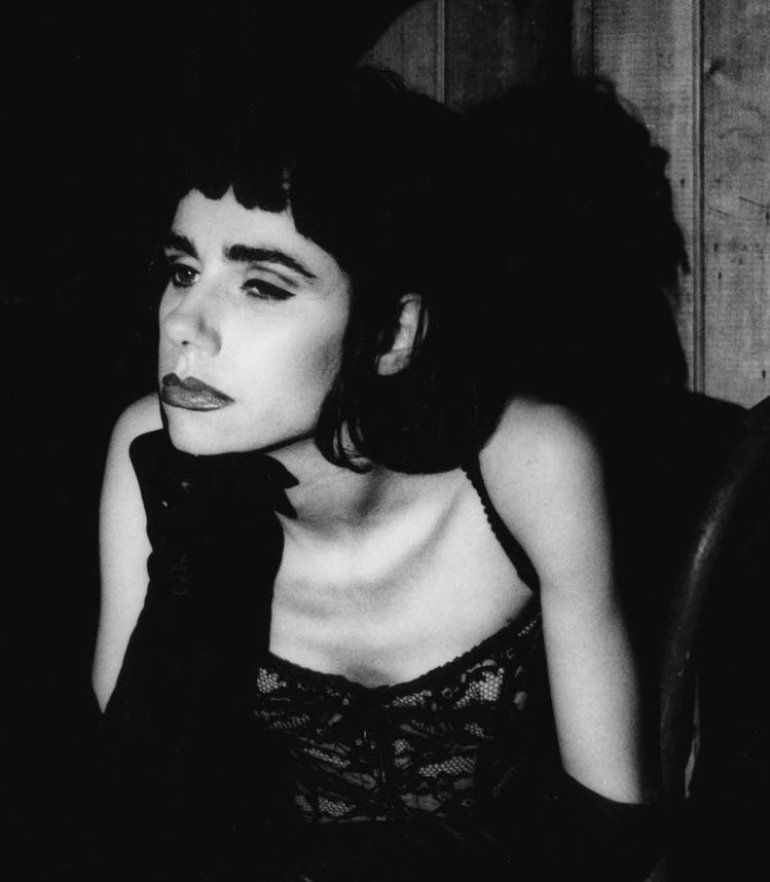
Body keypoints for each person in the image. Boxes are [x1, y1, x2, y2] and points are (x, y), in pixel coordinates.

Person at [92, 70, 662, 881]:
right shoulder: (152, 448)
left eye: (261, 286)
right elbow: (139, 810)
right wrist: (199, 547)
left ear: (394, 332)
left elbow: (613, 827)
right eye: (183, 271)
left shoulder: (531, 460)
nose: (185, 323)